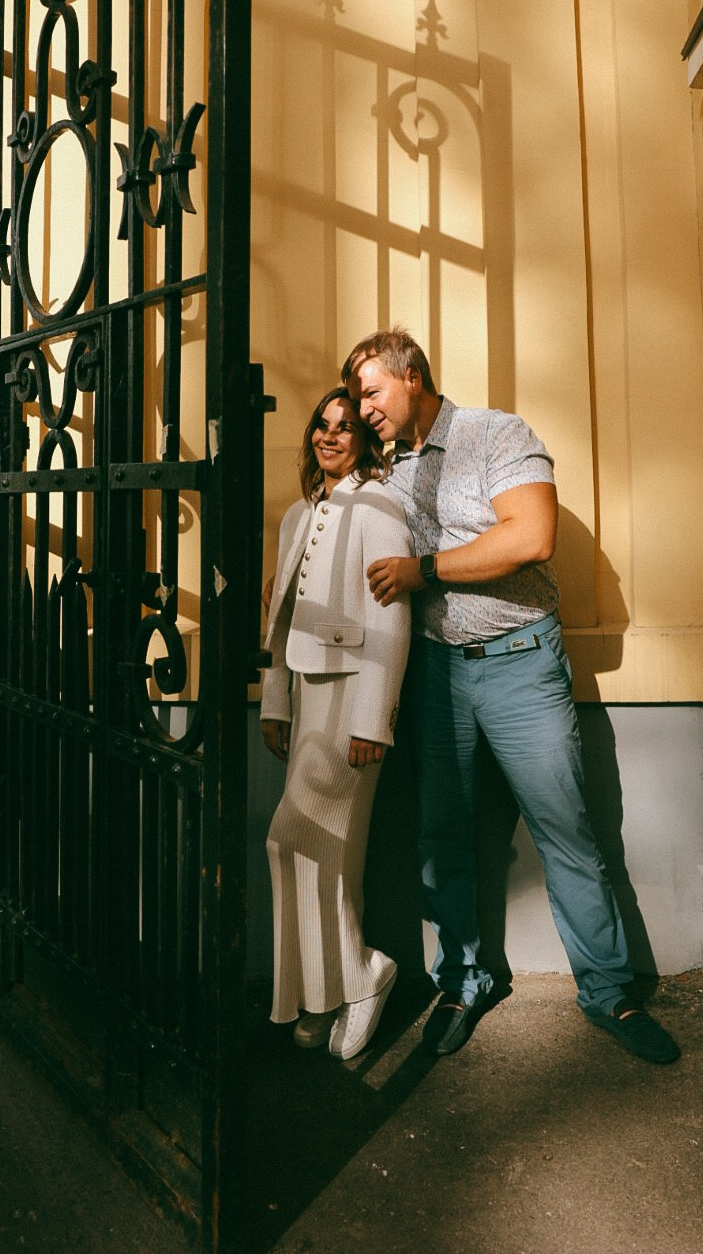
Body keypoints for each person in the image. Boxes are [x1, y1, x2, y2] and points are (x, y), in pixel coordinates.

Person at [341, 327, 680, 1065]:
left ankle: (610, 990)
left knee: (567, 830)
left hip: (522, 661)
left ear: (412, 376)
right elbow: (340, 537)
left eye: (370, 391)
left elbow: (531, 536)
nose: (361, 408)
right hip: (434, 674)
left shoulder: (494, 433)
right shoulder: (386, 473)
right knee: (442, 839)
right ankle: (464, 983)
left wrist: (424, 568)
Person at [262, 386, 413, 1060]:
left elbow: (390, 616)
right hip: (305, 694)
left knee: (303, 841)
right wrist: (274, 701)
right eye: (321, 425)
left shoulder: (379, 505)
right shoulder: (299, 514)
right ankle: (322, 993)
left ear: (363, 439)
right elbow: (280, 618)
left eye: (345, 427)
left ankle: (363, 974)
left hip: (351, 699)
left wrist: (373, 719)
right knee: (309, 850)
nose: (330, 436)